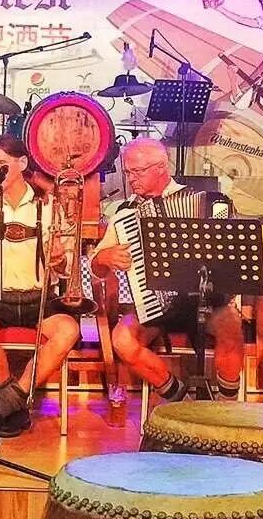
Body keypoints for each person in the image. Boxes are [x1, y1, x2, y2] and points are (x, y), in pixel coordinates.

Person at [91, 138, 244, 403]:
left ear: (161, 167)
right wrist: (104, 258)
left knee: (232, 329)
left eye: (138, 171)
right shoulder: (124, 214)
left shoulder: (208, 201)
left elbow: (233, 254)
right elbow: (97, 268)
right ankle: (179, 400)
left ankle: (227, 405)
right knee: (122, 340)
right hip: (154, 306)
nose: (131, 179)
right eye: (128, 172)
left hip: (207, 302)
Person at [0, 136, 83, 438]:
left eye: (2, 164)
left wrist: (59, 261)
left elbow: (67, 266)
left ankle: (11, 399)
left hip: (39, 297)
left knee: (68, 330)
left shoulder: (49, 204)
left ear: (22, 163)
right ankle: (12, 405)